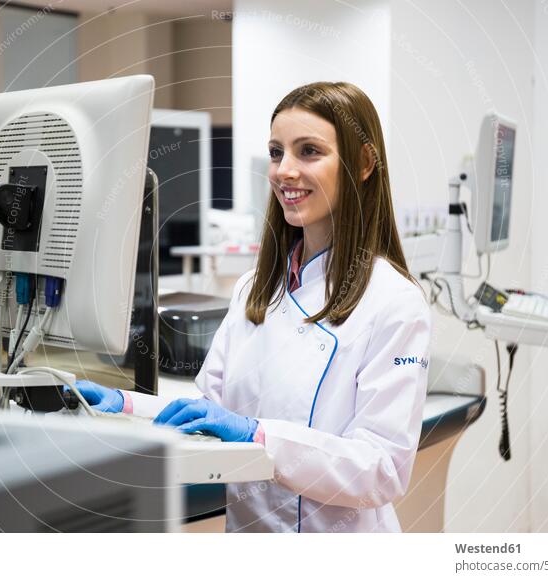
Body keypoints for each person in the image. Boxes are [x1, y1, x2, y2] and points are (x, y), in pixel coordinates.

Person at [76, 81, 431, 533]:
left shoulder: (394, 302)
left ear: (363, 163)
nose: (285, 171)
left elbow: (382, 469)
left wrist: (257, 437)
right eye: (276, 152)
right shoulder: (254, 290)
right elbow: (206, 409)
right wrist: (122, 407)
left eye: (309, 152)